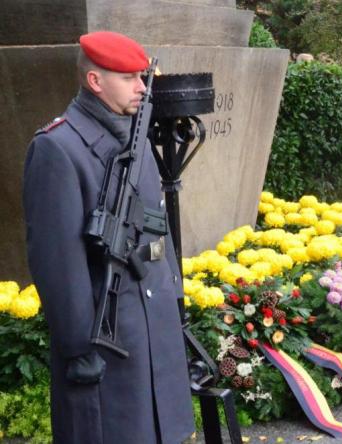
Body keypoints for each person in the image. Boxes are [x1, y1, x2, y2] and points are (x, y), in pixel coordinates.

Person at [22, 31, 195, 443]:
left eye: (142, 76)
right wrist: (81, 348)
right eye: (129, 77)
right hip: (107, 339)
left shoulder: (135, 138)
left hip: (153, 330)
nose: (141, 86)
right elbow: (58, 265)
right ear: (95, 81)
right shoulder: (58, 149)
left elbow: (158, 229)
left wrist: (173, 303)